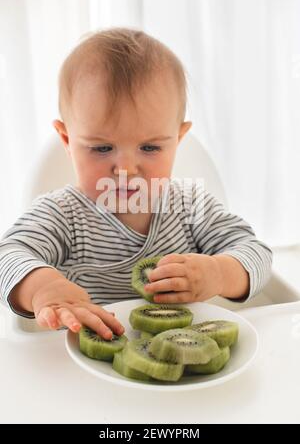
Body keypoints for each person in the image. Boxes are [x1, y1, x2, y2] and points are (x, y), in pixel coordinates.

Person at [0, 28, 272, 339]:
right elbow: (7, 254)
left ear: (178, 139)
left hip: (182, 359)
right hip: (88, 366)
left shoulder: (191, 207)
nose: (126, 169)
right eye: (102, 148)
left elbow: (257, 253)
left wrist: (220, 273)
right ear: (67, 140)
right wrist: (42, 287)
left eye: (150, 148)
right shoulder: (62, 214)